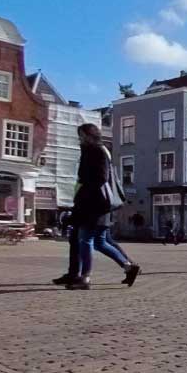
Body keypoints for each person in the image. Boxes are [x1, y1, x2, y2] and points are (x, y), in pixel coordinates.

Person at [59, 122, 140, 290]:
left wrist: (84, 191)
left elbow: (100, 178)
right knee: (100, 242)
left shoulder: (96, 151)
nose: (79, 139)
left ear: (89, 135)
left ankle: (85, 277)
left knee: (85, 239)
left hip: (93, 205)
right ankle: (128, 266)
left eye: (81, 135)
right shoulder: (95, 151)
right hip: (98, 204)